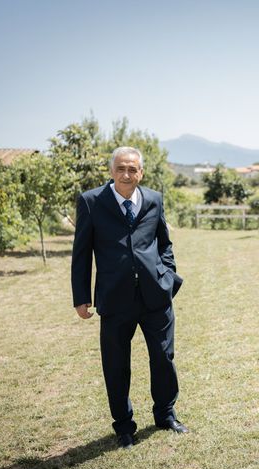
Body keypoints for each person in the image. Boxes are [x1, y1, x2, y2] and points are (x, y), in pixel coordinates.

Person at [71, 146, 186, 449]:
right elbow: (81, 254)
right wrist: (81, 297)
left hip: (155, 296)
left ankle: (165, 414)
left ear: (141, 172)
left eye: (132, 169)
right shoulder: (91, 202)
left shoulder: (154, 200)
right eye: (121, 168)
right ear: (112, 171)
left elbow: (165, 243)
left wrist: (167, 277)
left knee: (163, 358)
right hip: (114, 298)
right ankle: (124, 427)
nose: (126, 174)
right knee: (116, 364)